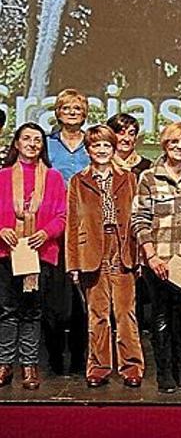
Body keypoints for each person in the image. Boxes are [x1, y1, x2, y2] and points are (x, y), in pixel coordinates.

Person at [131, 122, 181, 393]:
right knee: (161, 316)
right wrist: (150, 256)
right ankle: (164, 372)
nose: (179, 147)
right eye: (174, 142)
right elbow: (139, 219)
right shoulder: (149, 178)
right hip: (160, 260)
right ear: (165, 145)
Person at [66, 125, 144, 388]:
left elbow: (139, 218)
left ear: (113, 149)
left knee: (125, 313)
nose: (101, 150)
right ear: (88, 150)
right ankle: (99, 366)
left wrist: (140, 256)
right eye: (96, 145)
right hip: (92, 250)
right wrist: (73, 263)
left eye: (106, 145)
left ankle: (131, 366)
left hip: (122, 248)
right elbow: (73, 223)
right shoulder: (78, 180)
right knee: (97, 313)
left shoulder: (129, 178)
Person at [0, 123, 67, 390]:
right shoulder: (2, 176)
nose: (31, 143)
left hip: (39, 255)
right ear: (16, 144)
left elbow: (62, 215)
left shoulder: (53, 178)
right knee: (6, 311)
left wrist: (46, 232)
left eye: (37, 140)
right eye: (26, 138)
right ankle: (4, 364)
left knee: (32, 312)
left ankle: (29, 365)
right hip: (6, 253)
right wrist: (1, 230)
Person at [44, 89, 90, 376]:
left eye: (77, 108)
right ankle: (53, 358)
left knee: (83, 296)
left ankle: (78, 357)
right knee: (54, 296)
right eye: (67, 108)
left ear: (85, 114)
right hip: (53, 228)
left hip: (86, 227)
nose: (72, 112)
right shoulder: (47, 145)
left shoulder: (94, 143)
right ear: (58, 112)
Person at [107, 113, 153, 335]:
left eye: (131, 133)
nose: (125, 138)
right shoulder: (100, 166)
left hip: (137, 239)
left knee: (135, 300)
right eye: (120, 131)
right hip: (107, 239)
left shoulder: (147, 167)